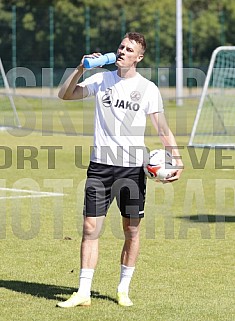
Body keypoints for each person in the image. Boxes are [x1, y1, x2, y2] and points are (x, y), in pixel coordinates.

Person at [56, 32, 183, 308]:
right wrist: (80, 68)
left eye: (129, 49)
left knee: (132, 230)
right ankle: (83, 292)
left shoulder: (148, 88)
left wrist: (178, 159)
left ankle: (123, 289)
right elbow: (65, 95)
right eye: (121, 47)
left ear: (139, 57)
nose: (123, 51)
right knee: (90, 228)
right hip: (100, 167)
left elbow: (162, 129)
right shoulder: (102, 79)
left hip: (132, 171)